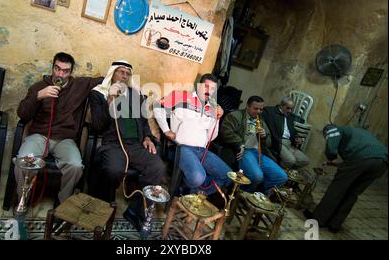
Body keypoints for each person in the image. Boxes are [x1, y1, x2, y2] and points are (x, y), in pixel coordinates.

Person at [15, 52, 103, 204]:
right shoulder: (39, 86)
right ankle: (23, 200)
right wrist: (38, 96)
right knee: (23, 162)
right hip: (39, 136)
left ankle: (63, 202)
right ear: (52, 68)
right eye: (57, 69)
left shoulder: (79, 85)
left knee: (76, 166)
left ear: (71, 72)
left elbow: (104, 81)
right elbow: (22, 114)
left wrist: (121, 81)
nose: (60, 74)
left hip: (65, 140)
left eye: (65, 71)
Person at [90, 60, 165, 232]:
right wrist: (109, 103)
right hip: (113, 144)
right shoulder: (99, 93)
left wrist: (147, 136)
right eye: (121, 72)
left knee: (157, 167)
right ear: (112, 73)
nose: (124, 76)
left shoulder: (136, 95)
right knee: (113, 169)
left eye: (128, 73)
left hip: (136, 145)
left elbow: (144, 121)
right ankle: (103, 207)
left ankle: (135, 210)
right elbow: (96, 126)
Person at [153, 74, 232, 196]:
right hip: (182, 148)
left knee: (227, 175)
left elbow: (212, 136)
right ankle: (189, 190)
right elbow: (158, 106)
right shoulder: (181, 96)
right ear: (199, 85)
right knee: (197, 177)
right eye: (206, 86)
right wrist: (166, 130)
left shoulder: (211, 108)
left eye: (212, 89)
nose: (208, 91)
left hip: (202, 151)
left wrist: (217, 119)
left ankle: (190, 193)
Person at [304, 124, 388, 233]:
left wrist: (331, 155)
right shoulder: (356, 133)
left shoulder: (332, 129)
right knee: (353, 193)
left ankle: (318, 219)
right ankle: (334, 224)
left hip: (362, 158)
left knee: (337, 189)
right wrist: (339, 164)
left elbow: (331, 151)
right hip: (382, 163)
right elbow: (359, 160)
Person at [220, 96, 288, 195]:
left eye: (261, 109)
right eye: (256, 108)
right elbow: (226, 132)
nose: (259, 111)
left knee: (281, 177)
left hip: (259, 153)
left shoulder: (260, 121)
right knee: (257, 176)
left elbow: (268, 143)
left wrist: (264, 136)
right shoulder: (235, 116)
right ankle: (241, 195)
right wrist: (239, 143)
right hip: (246, 151)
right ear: (247, 106)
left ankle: (258, 195)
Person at [261, 96, 309, 169]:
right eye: (288, 108)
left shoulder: (291, 117)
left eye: (291, 109)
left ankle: (284, 169)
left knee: (304, 160)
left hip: (290, 143)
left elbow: (293, 131)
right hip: (279, 142)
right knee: (291, 160)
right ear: (281, 105)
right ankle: (279, 170)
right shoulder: (270, 112)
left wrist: (297, 138)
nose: (290, 111)